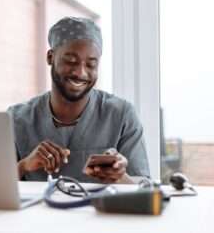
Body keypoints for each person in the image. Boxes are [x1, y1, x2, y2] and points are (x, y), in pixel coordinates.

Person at [8, 17, 150, 183]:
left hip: (99, 209)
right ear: (50, 57)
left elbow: (144, 187)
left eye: (91, 65)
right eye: (70, 61)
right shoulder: (17, 119)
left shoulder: (121, 114)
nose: (81, 73)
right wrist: (24, 165)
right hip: (37, 209)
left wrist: (120, 177)